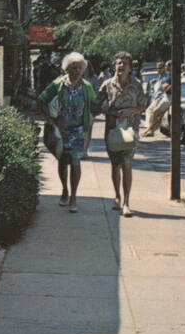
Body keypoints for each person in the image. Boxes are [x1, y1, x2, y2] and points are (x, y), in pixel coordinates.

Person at [38, 52, 96, 213]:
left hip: (78, 130)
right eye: (73, 67)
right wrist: (50, 120)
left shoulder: (87, 87)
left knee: (75, 161)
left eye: (79, 68)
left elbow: (93, 106)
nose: (76, 71)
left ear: (83, 70)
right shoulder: (58, 84)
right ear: (66, 69)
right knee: (63, 161)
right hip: (61, 131)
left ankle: (74, 197)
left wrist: (101, 106)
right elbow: (41, 100)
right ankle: (64, 190)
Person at [98, 51, 146, 217]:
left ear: (130, 68)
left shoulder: (137, 85)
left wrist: (130, 110)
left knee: (126, 164)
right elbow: (96, 106)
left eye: (125, 63)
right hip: (112, 130)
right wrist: (105, 108)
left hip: (130, 130)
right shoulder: (106, 85)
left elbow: (143, 106)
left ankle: (126, 202)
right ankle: (117, 196)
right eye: (119, 63)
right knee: (115, 165)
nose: (121, 66)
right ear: (114, 65)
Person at [141, 59, 171, 137]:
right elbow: (163, 87)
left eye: (160, 68)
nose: (158, 70)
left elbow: (165, 88)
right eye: (157, 68)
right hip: (160, 97)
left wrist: (165, 87)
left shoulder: (168, 75)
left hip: (165, 97)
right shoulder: (161, 76)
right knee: (150, 111)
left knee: (155, 112)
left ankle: (150, 130)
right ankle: (149, 129)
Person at [83, 60, 100, 157]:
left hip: (90, 108)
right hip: (79, 108)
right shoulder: (76, 78)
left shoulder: (93, 79)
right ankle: (81, 149)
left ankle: (85, 150)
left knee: (88, 130)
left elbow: (97, 91)